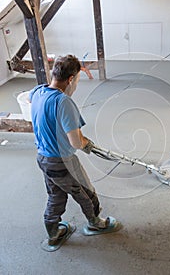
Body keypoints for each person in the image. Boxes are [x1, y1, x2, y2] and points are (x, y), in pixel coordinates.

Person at [29, 54, 109, 247]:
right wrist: (87, 144)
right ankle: (95, 222)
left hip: (43, 158)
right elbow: (75, 141)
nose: (76, 86)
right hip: (62, 161)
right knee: (85, 192)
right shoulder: (64, 102)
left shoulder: (38, 92)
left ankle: (54, 231)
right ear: (71, 79)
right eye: (77, 81)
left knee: (56, 195)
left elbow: (34, 106)